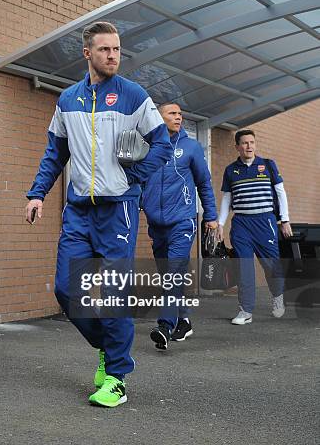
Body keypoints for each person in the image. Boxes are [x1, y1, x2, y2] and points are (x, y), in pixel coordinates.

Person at [25, 22, 170, 408]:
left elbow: (162, 143)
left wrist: (133, 176)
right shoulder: (68, 100)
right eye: (105, 50)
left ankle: (117, 377)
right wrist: (38, 193)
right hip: (78, 210)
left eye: (117, 50)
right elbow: (55, 152)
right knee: (66, 289)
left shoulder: (133, 95)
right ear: (87, 53)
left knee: (112, 294)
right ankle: (108, 348)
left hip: (117, 209)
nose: (113, 56)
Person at [141, 103, 217, 350]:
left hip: (183, 221)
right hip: (156, 224)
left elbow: (204, 184)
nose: (178, 117)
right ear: (159, 118)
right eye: (172, 114)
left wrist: (211, 217)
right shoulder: (148, 146)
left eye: (180, 114)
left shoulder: (191, 147)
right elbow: (138, 180)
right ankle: (183, 319)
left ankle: (164, 326)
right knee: (168, 277)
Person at [217, 129, 292, 325]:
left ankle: (277, 296)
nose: (249, 146)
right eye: (244, 143)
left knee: (270, 265)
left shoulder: (267, 165)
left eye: (252, 142)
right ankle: (245, 311)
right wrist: (220, 223)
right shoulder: (231, 170)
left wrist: (285, 220)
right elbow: (227, 199)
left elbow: (281, 193)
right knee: (244, 267)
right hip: (241, 224)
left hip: (265, 222)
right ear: (237, 146)